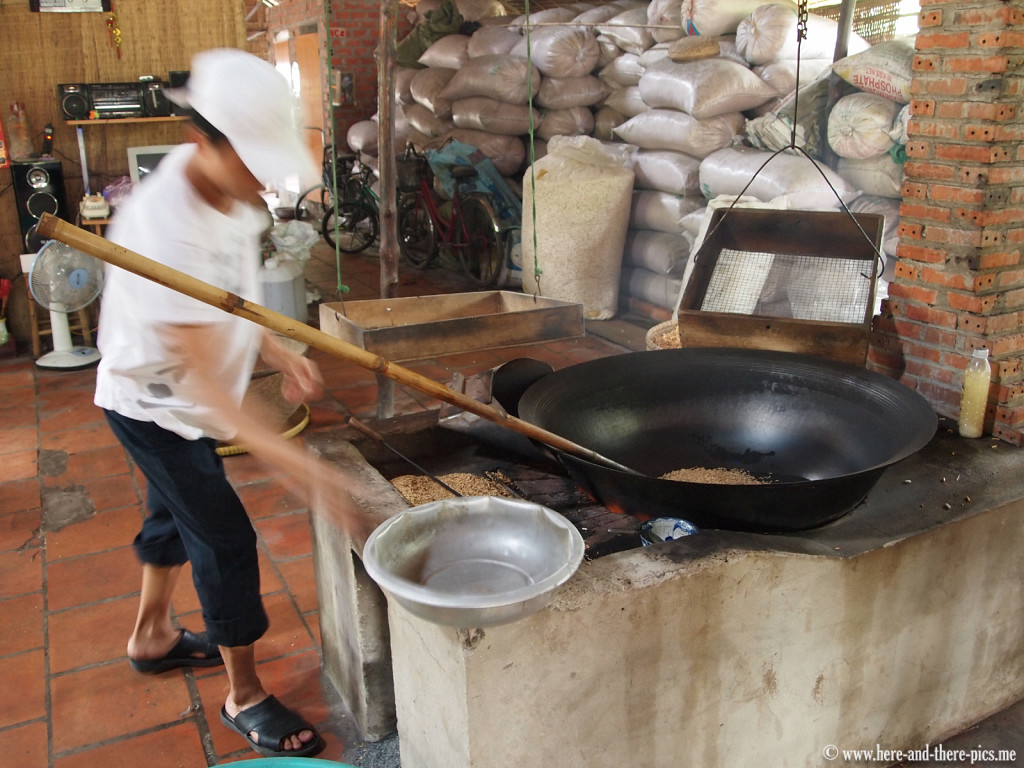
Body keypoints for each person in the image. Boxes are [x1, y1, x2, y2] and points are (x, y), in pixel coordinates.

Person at [94, 48, 372, 759]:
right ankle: (244, 694)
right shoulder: (162, 226)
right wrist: (305, 473)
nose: (260, 180)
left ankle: (153, 635)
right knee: (221, 536)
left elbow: (227, 298)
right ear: (201, 140)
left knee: (171, 512)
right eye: (248, 159)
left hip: (186, 393)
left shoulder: (237, 198)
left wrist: (277, 348)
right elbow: (208, 388)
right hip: (152, 401)